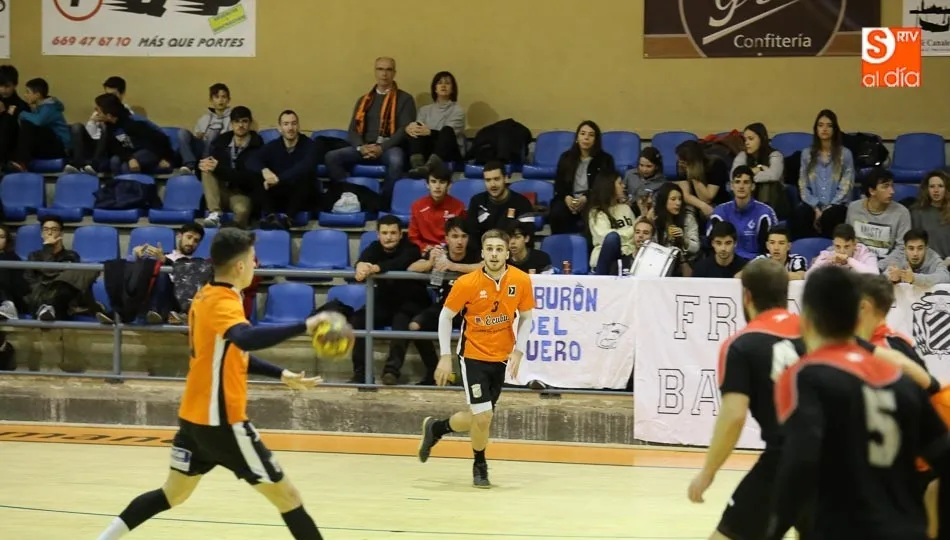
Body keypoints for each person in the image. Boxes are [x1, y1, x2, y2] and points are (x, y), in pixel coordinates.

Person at [96, 228, 339, 540]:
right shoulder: (223, 302)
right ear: (240, 266)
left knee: (173, 494)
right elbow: (245, 338)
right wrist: (305, 325)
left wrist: (280, 374)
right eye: (253, 259)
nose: (255, 265)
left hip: (194, 420)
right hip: (223, 423)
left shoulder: (206, 294)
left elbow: (227, 352)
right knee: (288, 498)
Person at [766, 266, 950, 540]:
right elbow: (943, 455)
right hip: (905, 527)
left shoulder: (805, 377)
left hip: (842, 527)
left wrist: (775, 529)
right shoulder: (898, 376)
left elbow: (800, 462)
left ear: (806, 318)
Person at [687, 258, 814, 539]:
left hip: (787, 459)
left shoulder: (743, 344)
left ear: (746, 297)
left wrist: (708, 472)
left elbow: (734, 416)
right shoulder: (817, 332)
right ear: (786, 294)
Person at [416, 229, 534, 487]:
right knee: (483, 416)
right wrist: (445, 356)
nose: (494, 254)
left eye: (499, 249)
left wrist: (518, 350)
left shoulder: (521, 281)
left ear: (507, 253)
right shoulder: (467, 283)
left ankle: (437, 428)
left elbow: (526, 317)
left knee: (482, 415)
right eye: (489, 249)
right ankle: (480, 464)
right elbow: (445, 317)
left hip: (501, 357)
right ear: (482, 253)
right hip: (473, 355)